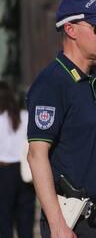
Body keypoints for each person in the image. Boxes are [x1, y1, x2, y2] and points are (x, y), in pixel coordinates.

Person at [27, 0, 96, 238]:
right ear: (70, 29)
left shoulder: (93, 83)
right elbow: (36, 155)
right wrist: (58, 224)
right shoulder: (52, 83)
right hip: (75, 222)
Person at [0, 82, 36, 238]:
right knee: (25, 221)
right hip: (24, 172)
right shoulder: (25, 116)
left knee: (4, 221)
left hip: (3, 172)